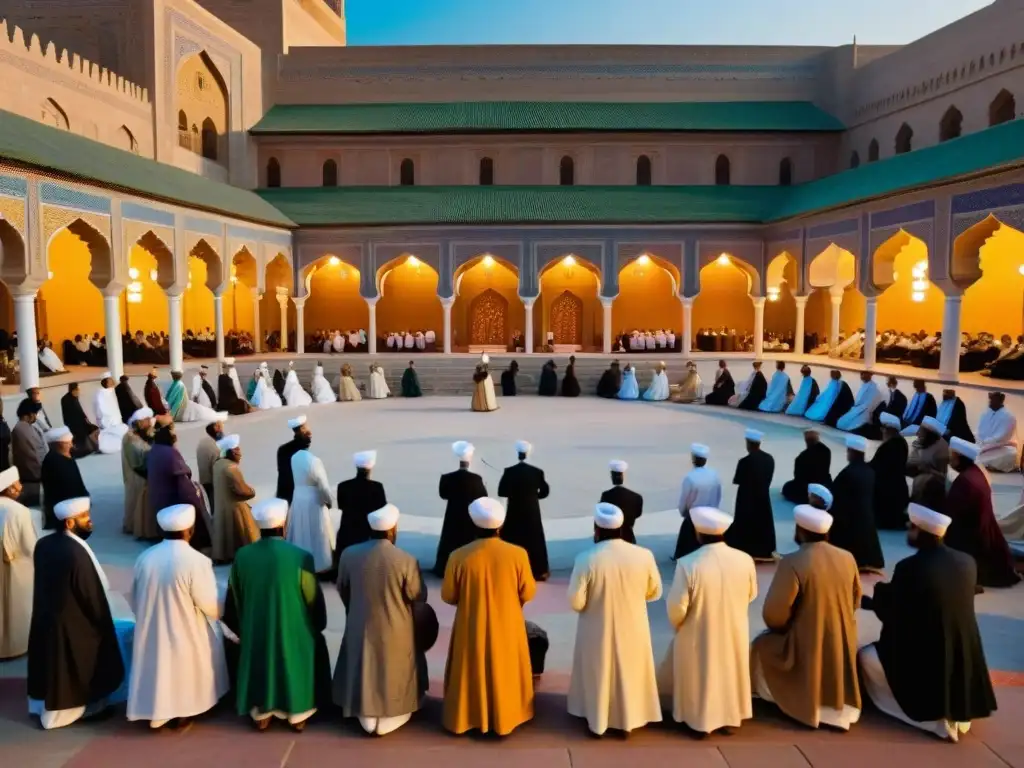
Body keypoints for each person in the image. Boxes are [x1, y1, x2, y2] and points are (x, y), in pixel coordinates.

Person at [859, 503, 997, 743]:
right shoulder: (966, 562)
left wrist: (875, 599)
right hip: (961, 659)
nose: (907, 531)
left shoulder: (910, 568)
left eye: (910, 528)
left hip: (926, 663)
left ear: (919, 531)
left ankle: (927, 718)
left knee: (867, 656)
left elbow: (893, 612)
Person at [750, 504, 862, 731]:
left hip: (806, 643)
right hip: (840, 640)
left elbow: (774, 615)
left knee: (761, 645)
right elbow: (855, 601)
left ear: (800, 531)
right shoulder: (847, 558)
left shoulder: (793, 561)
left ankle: (795, 701)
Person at [224, 498, 330, 732]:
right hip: (294, 630)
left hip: (256, 630)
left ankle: (262, 712)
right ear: (283, 525)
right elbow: (313, 602)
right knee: (310, 646)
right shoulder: (301, 556)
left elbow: (234, 600)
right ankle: (297, 711)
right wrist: (316, 625)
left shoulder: (243, 556)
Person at [28, 498, 127, 729]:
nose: (89, 520)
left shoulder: (44, 544)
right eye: (83, 516)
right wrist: (103, 624)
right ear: (70, 523)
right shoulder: (75, 553)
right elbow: (91, 595)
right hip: (75, 626)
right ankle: (81, 709)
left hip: (47, 621)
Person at [127, 503, 229, 730]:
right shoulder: (196, 561)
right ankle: (183, 709)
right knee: (192, 660)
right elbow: (210, 607)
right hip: (185, 630)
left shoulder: (145, 558)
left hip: (152, 629)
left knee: (159, 668)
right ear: (189, 531)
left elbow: (134, 598)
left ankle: (158, 710)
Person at [333, 503, 432, 736]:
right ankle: (394, 710)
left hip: (360, 625)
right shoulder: (406, 560)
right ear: (392, 530)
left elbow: (343, 589)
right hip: (397, 631)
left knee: (362, 667)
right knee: (397, 668)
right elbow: (419, 596)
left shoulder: (349, 554)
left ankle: (364, 711)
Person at [441, 496, 537, 736]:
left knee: (471, 667)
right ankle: (507, 716)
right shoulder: (518, 554)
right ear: (500, 526)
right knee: (506, 668)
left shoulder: (459, 556)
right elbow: (529, 592)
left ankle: (470, 717)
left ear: (473, 525)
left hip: (470, 625)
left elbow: (449, 596)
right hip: (508, 624)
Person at [658, 506, 757, 736]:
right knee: (729, 671)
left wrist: (680, 626)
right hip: (734, 629)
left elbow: (677, 608)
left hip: (698, 630)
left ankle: (699, 720)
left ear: (698, 533)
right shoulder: (744, 559)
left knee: (700, 674)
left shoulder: (688, 564)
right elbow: (751, 595)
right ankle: (730, 718)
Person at [567, 502, 662, 737]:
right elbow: (654, 592)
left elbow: (576, 602)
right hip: (633, 626)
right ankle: (627, 720)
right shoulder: (644, 555)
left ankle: (598, 721)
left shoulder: (586, 558)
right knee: (629, 671)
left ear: (596, 529)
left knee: (599, 672)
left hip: (596, 627)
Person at [944, 437, 1020, 588]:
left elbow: (952, 517)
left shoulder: (965, 481)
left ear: (959, 458)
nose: (949, 460)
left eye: (952, 456)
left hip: (971, 538)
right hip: (981, 533)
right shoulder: (974, 473)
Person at [147, 422, 212, 552]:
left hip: (158, 498)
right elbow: (182, 480)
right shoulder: (171, 454)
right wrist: (194, 499)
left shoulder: (153, 451)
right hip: (172, 498)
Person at [829, 435, 884, 573]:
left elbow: (835, 497)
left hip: (848, 519)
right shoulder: (870, 471)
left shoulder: (847, 473)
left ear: (851, 452)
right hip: (867, 516)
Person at [498, 440, 551, 580]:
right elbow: (545, 491)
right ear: (528, 453)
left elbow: (501, 492)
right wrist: (534, 496)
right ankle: (538, 571)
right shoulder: (537, 472)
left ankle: (510, 570)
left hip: (514, 509)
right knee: (534, 539)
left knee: (512, 538)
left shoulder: (509, 471)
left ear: (517, 454)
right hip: (532, 510)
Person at [433, 441, 488, 577]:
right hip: (469, 515)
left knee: (449, 539)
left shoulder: (447, 477)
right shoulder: (476, 478)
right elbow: (483, 496)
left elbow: (443, 494)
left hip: (452, 513)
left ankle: (444, 566)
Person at [0, 467, 35, 660]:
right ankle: (16, 645)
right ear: (10, 488)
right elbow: (30, 546)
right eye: (17, 484)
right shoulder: (20, 511)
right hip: (17, 569)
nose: (20, 487)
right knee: (16, 606)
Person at [725, 429, 776, 562]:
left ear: (748, 444)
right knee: (763, 523)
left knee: (745, 523)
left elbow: (738, 480)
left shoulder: (745, 461)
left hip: (747, 498)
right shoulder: (769, 459)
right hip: (763, 497)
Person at [288, 436, 336, 575]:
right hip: (313, 499)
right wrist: (329, 501)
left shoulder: (294, 458)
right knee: (317, 532)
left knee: (301, 530)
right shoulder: (314, 461)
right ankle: (320, 564)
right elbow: (323, 485)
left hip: (298, 497)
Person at [211, 434, 259, 565]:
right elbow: (242, 490)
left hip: (222, 506)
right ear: (231, 452)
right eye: (237, 450)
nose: (240, 453)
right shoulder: (231, 468)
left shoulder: (218, 465)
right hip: (235, 508)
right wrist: (252, 492)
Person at [672, 443, 722, 560]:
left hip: (693, 514)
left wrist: (683, 511)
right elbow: (718, 495)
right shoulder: (714, 475)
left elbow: (685, 499)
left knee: (686, 542)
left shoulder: (690, 477)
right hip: (710, 513)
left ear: (694, 460)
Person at [335, 450, 388, 560]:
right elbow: (382, 511)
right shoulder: (377, 487)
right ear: (371, 467)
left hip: (346, 534)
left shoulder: (343, 486)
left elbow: (341, 506)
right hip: (367, 534)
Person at [41, 427, 90, 531]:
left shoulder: (66, 457)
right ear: (59, 444)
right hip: (65, 510)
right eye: (68, 443)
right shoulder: (53, 461)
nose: (71, 445)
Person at [871, 413, 910, 530]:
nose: (882, 431)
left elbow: (879, 466)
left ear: (889, 430)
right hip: (897, 489)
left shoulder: (891, 445)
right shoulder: (899, 442)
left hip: (887, 492)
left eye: (883, 428)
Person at [122, 408, 156, 539]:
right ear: (140, 423)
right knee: (136, 503)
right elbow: (142, 455)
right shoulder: (130, 438)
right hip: (136, 475)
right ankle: (135, 527)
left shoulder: (140, 433)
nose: (150, 423)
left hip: (140, 473)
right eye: (147, 420)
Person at [905, 416, 950, 508]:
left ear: (929, 434)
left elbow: (942, 477)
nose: (917, 434)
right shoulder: (921, 442)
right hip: (915, 475)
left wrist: (928, 470)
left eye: (921, 431)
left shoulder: (942, 448)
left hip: (931, 485)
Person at [781, 428, 832, 504]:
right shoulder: (826, 451)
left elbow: (798, 477)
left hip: (808, 487)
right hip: (824, 485)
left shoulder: (801, 457)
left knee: (787, 487)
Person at [599, 459, 643, 544]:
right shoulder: (637, 497)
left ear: (612, 476)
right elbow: (638, 514)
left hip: (609, 539)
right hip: (629, 538)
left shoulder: (606, 496)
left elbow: (602, 515)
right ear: (624, 476)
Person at [12, 399, 45, 507]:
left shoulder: (26, 426)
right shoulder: (21, 429)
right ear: (30, 414)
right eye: (35, 414)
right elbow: (31, 457)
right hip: (33, 477)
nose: (36, 416)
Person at [976, 391, 1019, 472]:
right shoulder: (985, 413)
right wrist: (979, 441)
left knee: (1006, 455)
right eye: (990, 399)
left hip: (1000, 446)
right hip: (984, 445)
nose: (990, 401)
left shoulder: (1009, 416)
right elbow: (979, 431)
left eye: (992, 399)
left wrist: (985, 443)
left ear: (1000, 401)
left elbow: (1003, 437)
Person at [836, 371, 885, 437]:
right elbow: (858, 400)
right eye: (861, 374)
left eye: (864, 374)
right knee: (841, 422)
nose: (861, 376)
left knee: (852, 424)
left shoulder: (873, 388)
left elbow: (869, 404)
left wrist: (859, 408)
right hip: (857, 408)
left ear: (869, 375)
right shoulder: (864, 385)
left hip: (864, 411)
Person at [91, 373, 131, 454]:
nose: (113, 381)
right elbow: (100, 409)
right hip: (108, 421)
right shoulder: (101, 394)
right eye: (110, 380)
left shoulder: (112, 391)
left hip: (116, 420)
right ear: (107, 382)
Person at [276, 415, 310, 505]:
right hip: (297, 495)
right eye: (306, 427)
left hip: (284, 494)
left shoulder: (282, 449)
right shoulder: (301, 451)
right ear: (302, 429)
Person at [60, 383, 99, 458]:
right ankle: (80, 452)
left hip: (81, 422)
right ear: (73, 390)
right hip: (73, 423)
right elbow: (67, 413)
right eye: (77, 389)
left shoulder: (74, 397)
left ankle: (87, 449)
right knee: (78, 437)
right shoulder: (65, 399)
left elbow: (80, 410)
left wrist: (86, 418)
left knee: (88, 433)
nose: (78, 391)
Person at [196, 418, 224, 510]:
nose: (222, 429)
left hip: (204, 481)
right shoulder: (215, 446)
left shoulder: (202, 442)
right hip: (213, 483)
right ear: (216, 427)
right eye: (220, 426)